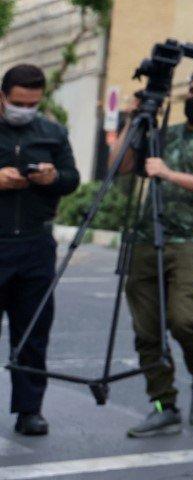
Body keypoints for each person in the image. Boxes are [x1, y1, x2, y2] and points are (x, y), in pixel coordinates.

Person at [118, 65, 193, 439]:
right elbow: (120, 165)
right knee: (147, 330)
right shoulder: (165, 134)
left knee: (184, 319)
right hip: (145, 237)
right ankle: (163, 406)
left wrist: (168, 173)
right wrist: (135, 120)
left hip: (192, 242)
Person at [0, 65, 79, 436]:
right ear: (3, 96)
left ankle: (29, 410)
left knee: (32, 331)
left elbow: (72, 179)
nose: (24, 109)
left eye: (32, 103)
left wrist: (53, 178)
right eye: (18, 103)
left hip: (35, 244)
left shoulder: (52, 132)